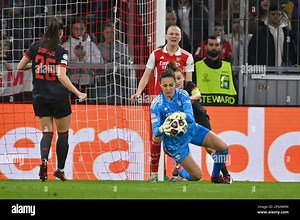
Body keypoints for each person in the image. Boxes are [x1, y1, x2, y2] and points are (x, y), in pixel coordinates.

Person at [17, 17, 87, 182]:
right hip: (58, 97)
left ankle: (43, 159)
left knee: (47, 131)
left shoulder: (35, 46)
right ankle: (60, 171)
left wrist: (35, 66)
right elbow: (61, 76)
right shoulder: (61, 51)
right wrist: (78, 93)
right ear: (61, 32)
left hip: (40, 97)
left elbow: (20, 66)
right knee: (62, 134)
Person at [130, 24, 194, 182]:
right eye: (171, 33)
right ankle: (155, 174)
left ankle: (178, 172)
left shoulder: (187, 57)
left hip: (178, 102)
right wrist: (139, 92)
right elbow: (146, 75)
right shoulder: (156, 54)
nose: (173, 36)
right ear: (166, 36)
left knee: (179, 134)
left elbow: (188, 82)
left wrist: (187, 99)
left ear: (180, 37)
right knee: (157, 135)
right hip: (160, 102)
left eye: (176, 34)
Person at [150, 69, 231, 183]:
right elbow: (156, 131)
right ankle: (181, 171)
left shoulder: (183, 95)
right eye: (165, 85)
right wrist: (163, 128)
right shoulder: (156, 104)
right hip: (175, 142)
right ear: (160, 85)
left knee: (223, 148)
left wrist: (181, 114)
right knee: (197, 176)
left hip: (192, 130)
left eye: (171, 85)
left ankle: (216, 176)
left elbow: (190, 117)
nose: (168, 88)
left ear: (175, 84)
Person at [194, 35, 238, 105]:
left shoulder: (228, 67)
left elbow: (235, 92)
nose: (214, 48)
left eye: (216, 45)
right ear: (205, 47)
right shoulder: (197, 66)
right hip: (203, 112)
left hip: (226, 112)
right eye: (211, 45)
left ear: (220, 47)